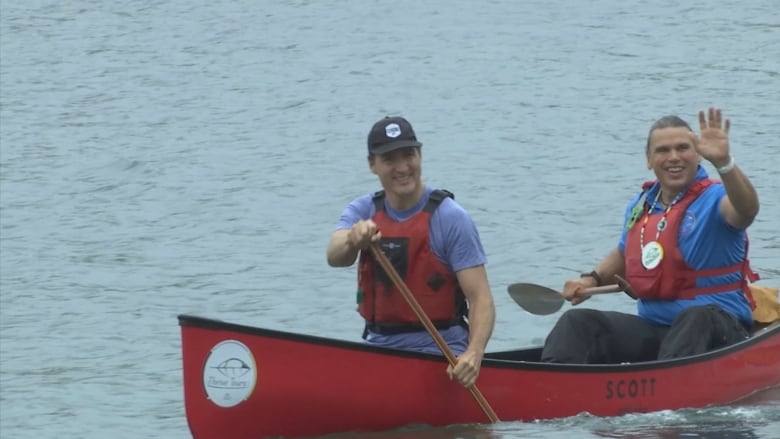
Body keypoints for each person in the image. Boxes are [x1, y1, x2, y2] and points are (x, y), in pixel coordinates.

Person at [541, 107, 760, 364]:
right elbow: (624, 253)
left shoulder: (716, 198)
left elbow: (747, 210)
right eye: (663, 150)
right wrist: (590, 281)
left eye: (683, 148)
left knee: (695, 316)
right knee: (578, 323)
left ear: (698, 154)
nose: (674, 157)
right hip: (656, 331)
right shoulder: (641, 205)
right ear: (649, 159)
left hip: (719, 330)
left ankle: (669, 393)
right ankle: (555, 388)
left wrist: (725, 164)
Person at [326, 116, 496, 387]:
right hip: (379, 348)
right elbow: (334, 256)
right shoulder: (363, 210)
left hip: (442, 356)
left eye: (409, 155)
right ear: (373, 165)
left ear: (420, 155)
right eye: (390, 159)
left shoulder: (451, 218)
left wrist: (473, 354)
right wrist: (352, 239)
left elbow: (481, 299)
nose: (402, 167)